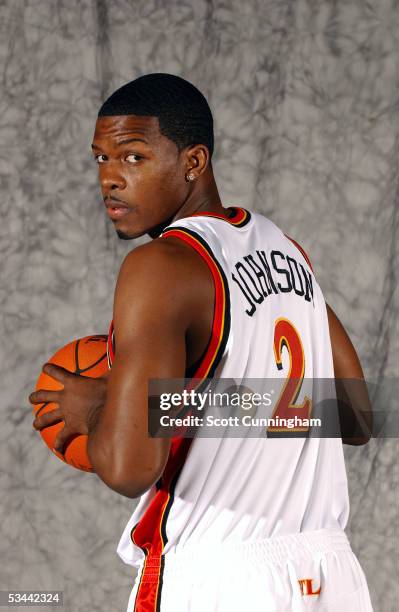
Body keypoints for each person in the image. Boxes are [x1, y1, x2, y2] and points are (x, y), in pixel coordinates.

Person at [30, 73, 374, 611]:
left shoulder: (158, 267)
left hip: (221, 577)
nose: (111, 179)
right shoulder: (284, 250)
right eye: (101, 159)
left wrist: (104, 412)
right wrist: (153, 406)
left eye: (134, 157)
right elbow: (353, 415)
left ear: (194, 162)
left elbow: (129, 467)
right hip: (329, 576)